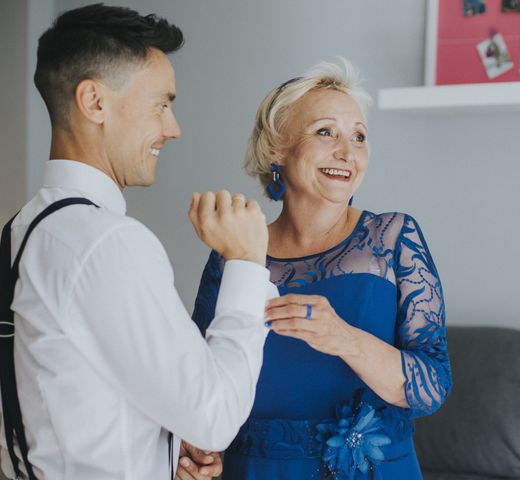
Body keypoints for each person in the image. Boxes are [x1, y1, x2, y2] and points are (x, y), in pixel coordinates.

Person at [0, 4, 277, 479]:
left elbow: (63, 408)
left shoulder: (18, 235)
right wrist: (246, 263)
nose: (173, 128)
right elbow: (214, 416)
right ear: (94, 102)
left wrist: (161, 453)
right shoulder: (107, 244)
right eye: (162, 104)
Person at [192, 59, 452, 479]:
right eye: (325, 132)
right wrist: (198, 453)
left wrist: (344, 339)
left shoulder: (393, 239)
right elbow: (200, 386)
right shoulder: (234, 253)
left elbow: (433, 386)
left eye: (359, 137)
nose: (347, 153)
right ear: (278, 147)